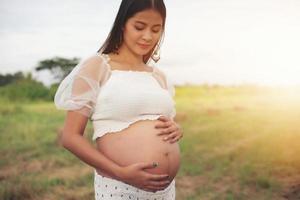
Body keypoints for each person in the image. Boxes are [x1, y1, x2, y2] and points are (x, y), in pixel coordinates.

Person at [54, 0, 183, 199]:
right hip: (121, 186)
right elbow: (70, 137)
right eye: (139, 27)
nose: (148, 36)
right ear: (123, 24)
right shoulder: (97, 66)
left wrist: (176, 128)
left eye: (156, 29)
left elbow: (164, 122)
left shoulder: (159, 76)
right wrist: (120, 172)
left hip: (165, 191)